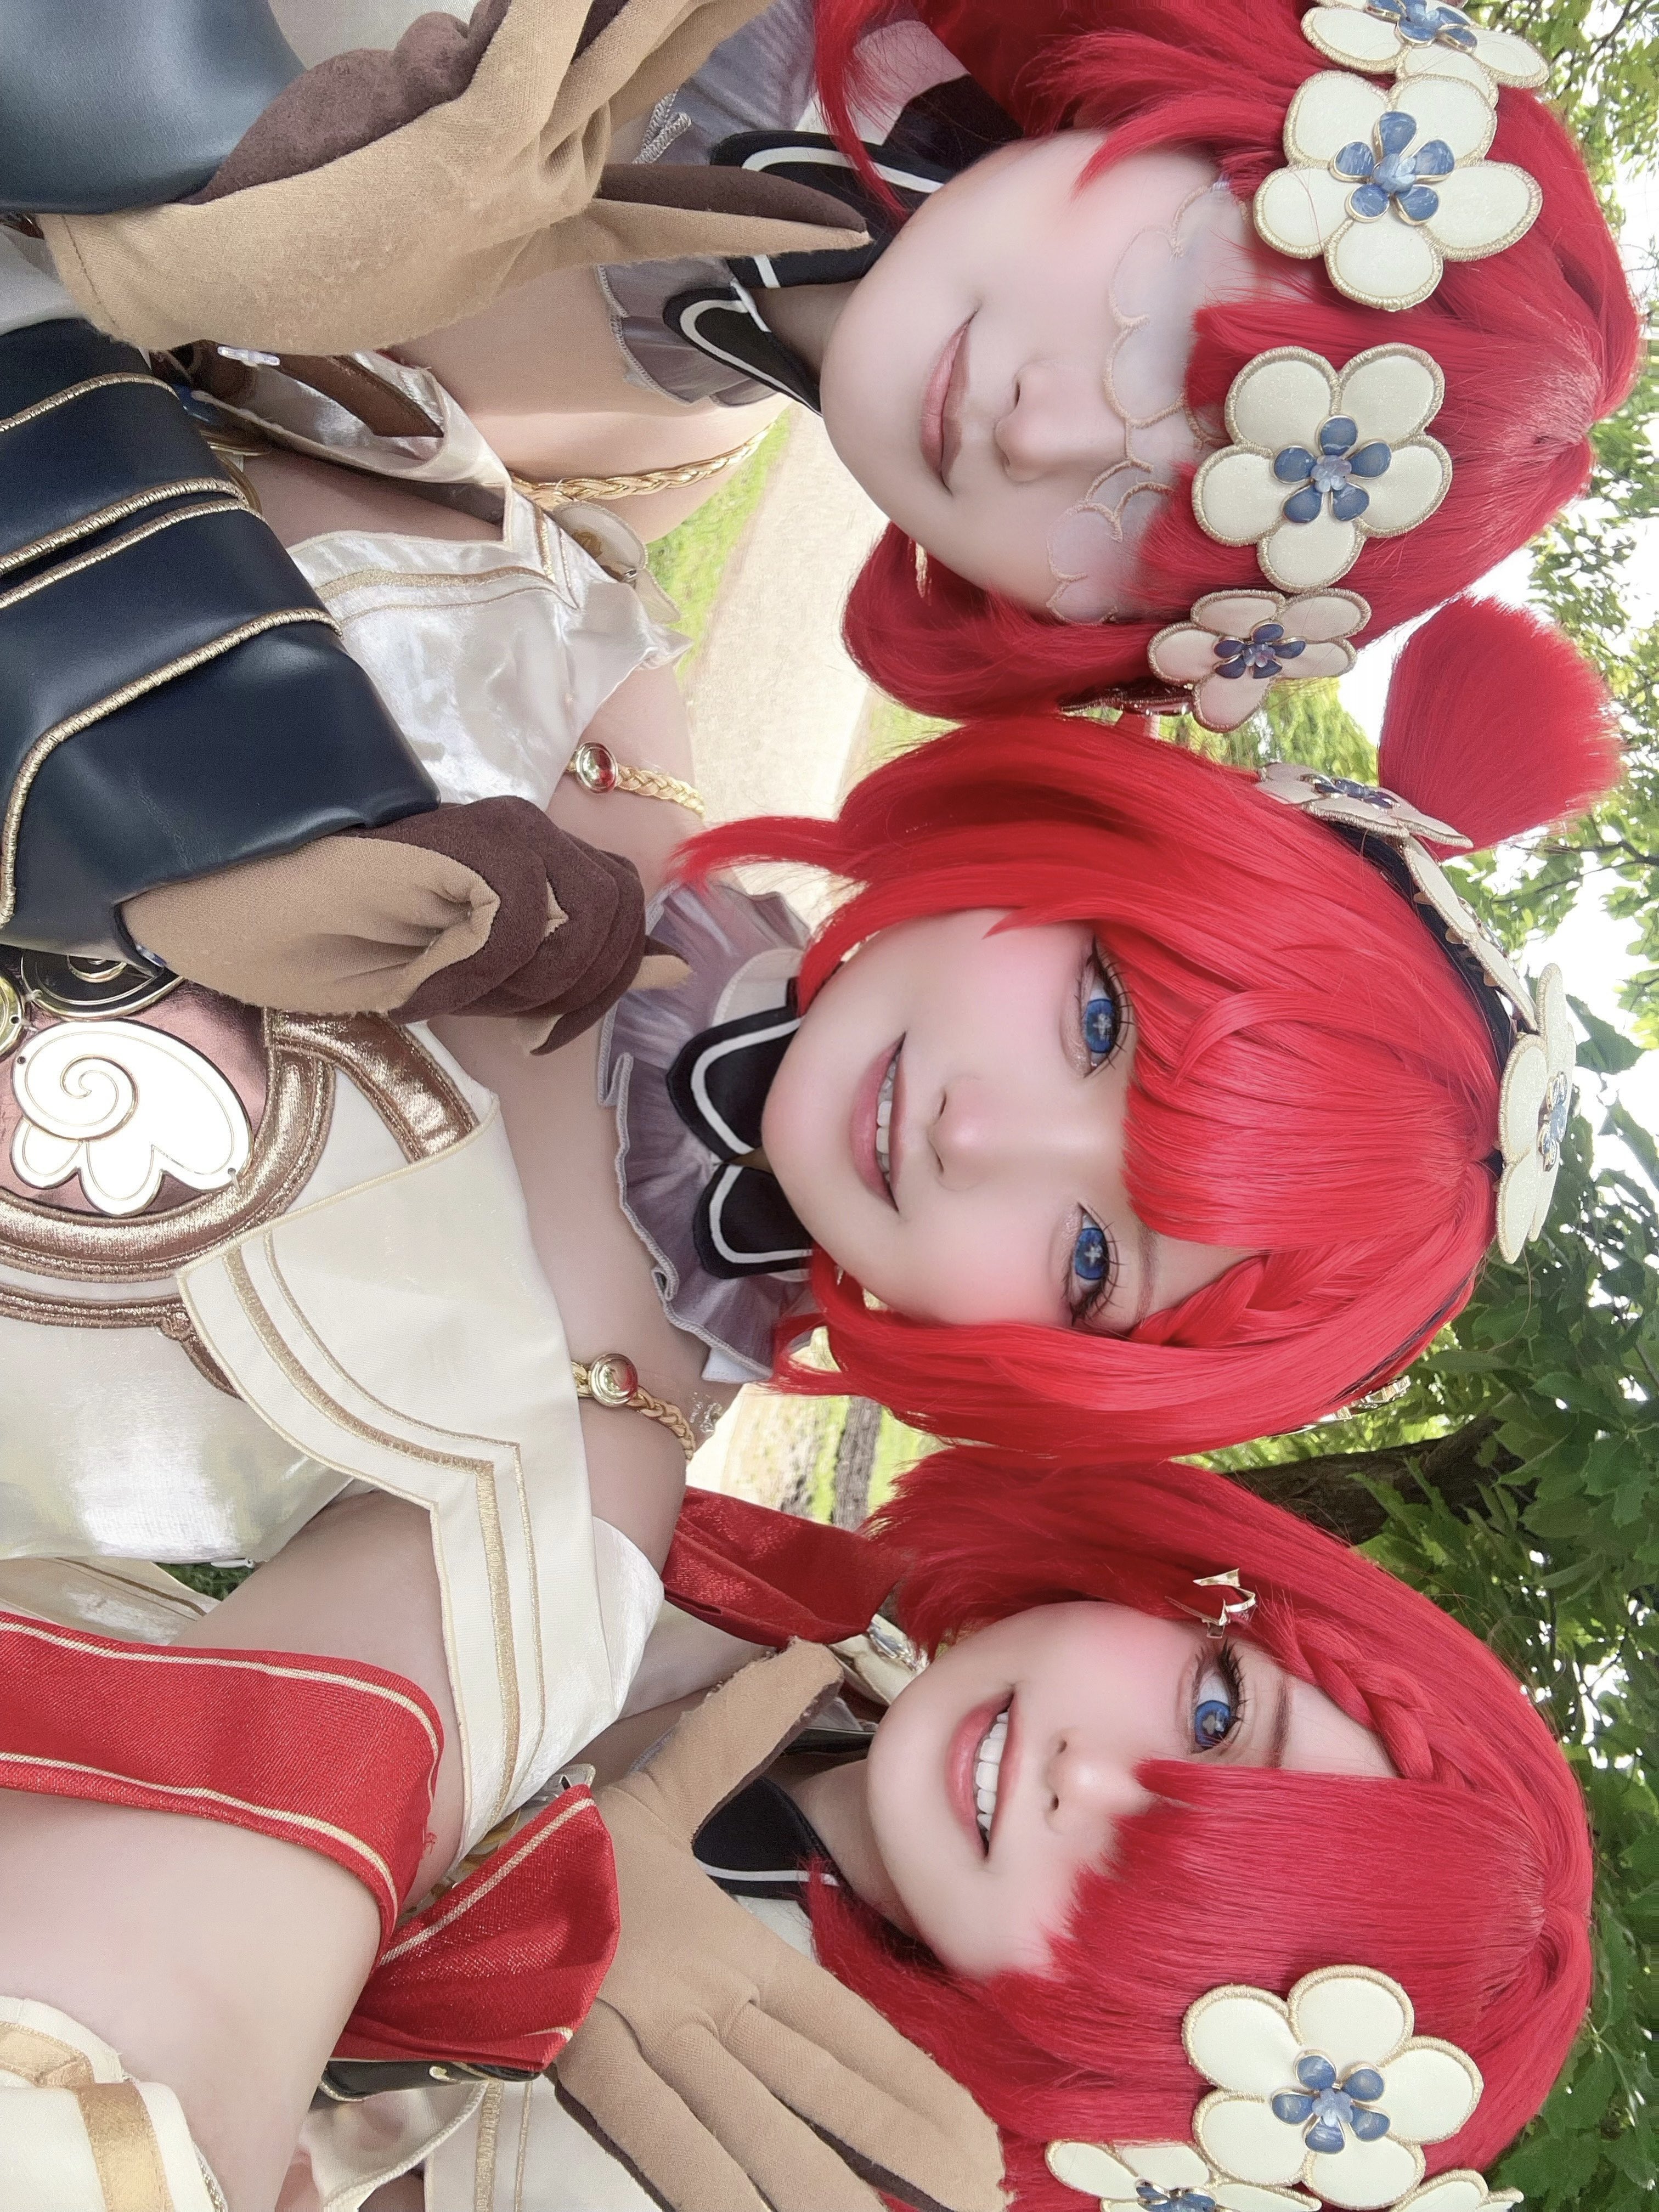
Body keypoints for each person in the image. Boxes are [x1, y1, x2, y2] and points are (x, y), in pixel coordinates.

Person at [13, 1451, 1578, 2212]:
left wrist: (461, 1974)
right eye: (1219, 1711)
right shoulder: (810, 1628)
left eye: (1168, 1908)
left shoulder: (747, 2151)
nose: (1085, 1780)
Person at [4, 0, 1639, 715]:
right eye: (1171, 324)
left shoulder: (621, 489)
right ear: (1189, 116)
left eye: (1151, 521)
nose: (1050, 431)